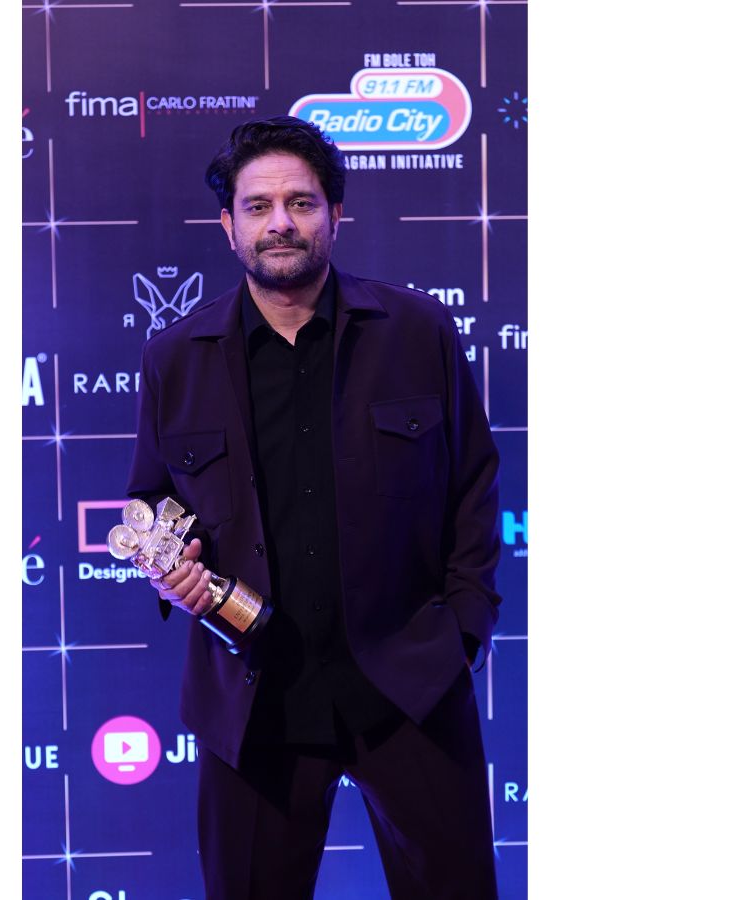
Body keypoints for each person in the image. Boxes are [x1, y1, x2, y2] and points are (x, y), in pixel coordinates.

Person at [126, 115, 502, 899]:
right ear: (228, 224)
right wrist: (172, 571)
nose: (281, 223)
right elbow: (153, 499)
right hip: (253, 700)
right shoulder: (174, 358)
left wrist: (462, 630)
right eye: (258, 206)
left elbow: (473, 483)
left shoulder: (417, 331)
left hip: (409, 686)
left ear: (335, 213)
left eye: (300, 203)